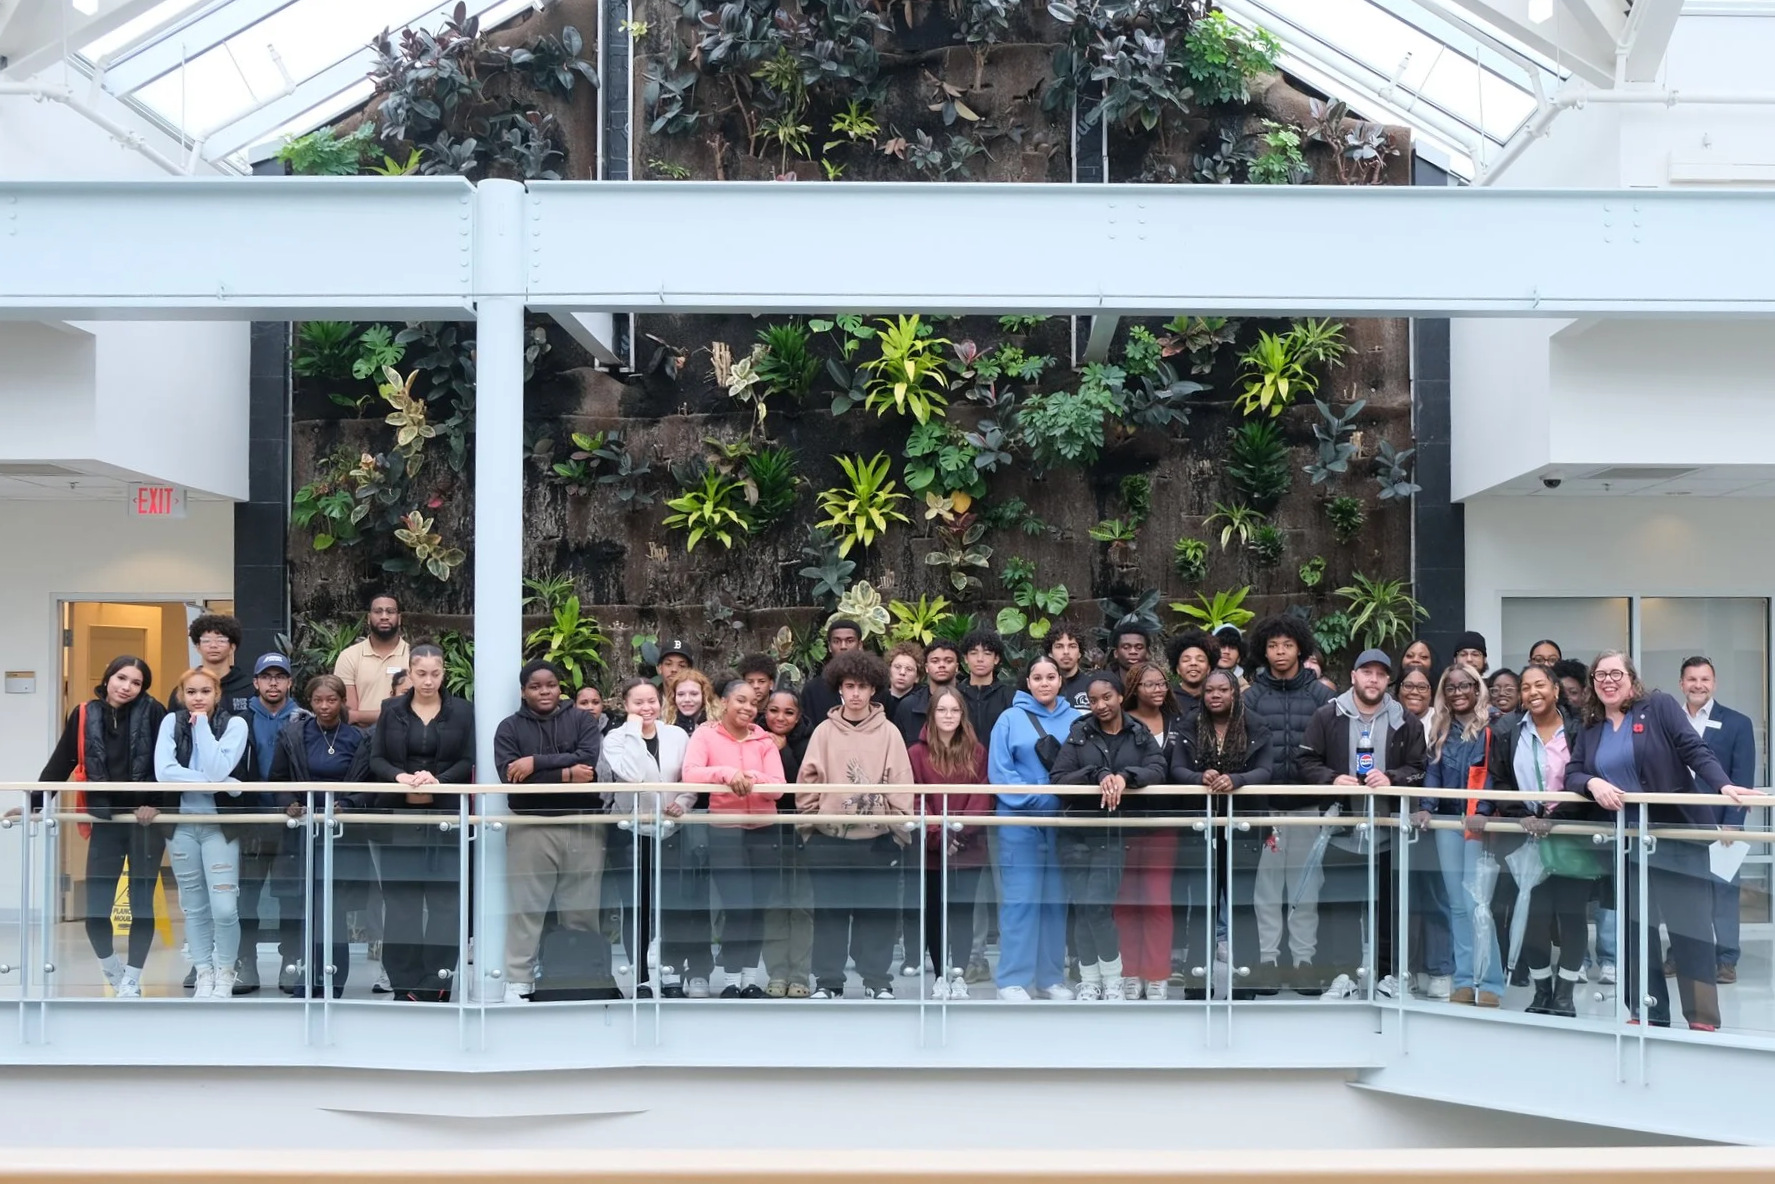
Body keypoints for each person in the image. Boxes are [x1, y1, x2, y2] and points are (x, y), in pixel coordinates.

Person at [1565, 650, 1758, 1029]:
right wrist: (1593, 782)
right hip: (1627, 843)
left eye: (1616, 673)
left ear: (1631, 678)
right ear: (1592, 683)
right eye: (1600, 675)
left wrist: (1724, 785)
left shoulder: (1658, 706)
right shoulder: (1591, 725)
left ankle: (1702, 1019)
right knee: (1637, 931)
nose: (1608, 681)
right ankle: (1646, 1012)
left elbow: (1693, 749)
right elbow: (1572, 772)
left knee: (1691, 931)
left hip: (1675, 837)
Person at [37, 656, 170, 998]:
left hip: (145, 823)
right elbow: (62, 762)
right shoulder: (85, 713)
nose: (127, 687)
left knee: (142, 905)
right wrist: (34, 802)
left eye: (136, 682)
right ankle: (113, 970)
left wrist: (156, 803)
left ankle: (133, 979)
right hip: (105, 822)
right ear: (108, 677)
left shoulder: (155, 711)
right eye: (121, 678)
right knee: (96, 909)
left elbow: (168, 764)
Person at [1299, 648, 1426, 1001]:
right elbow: (1305, 761)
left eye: (1381, 674)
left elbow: (1419, 768)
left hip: (1389, 829)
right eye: (1366, 672)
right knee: (1339, 905)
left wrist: (1393, 777)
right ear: (1353, 676)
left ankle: (1387, 977)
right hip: (1339, 829)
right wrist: (1331, 778)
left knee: (1389, 907)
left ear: (1389, 680)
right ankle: (1343, 975)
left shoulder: (1406, 721)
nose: (1373, 679)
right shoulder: (1327, 715)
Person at [796, 651, 916, 1000]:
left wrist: (896, 832)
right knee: (829, 913)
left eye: (863, 686)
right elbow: (807, 782)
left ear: (873, 689)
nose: (856, 693)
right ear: (840, 688)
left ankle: (877, 980)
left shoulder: (889, 732)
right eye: (850, 686)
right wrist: (811, 828)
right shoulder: (823, 731)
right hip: (829, 839)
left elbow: (901, 783)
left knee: (877, 914)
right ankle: (828, 981)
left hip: (878, 840)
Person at [365, 644, 474, 1002]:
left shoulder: (462, 711)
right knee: (401, 905)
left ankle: (436, 982)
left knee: (446, 905)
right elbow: (376, 759)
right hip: (400, 819)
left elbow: (467, 760)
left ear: (444, 673)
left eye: (435, 673)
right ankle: (403, 983)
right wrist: (399, 777)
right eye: (421, 673)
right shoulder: (391, 709)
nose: (428, 681)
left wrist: (439, 780)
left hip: (444, 819)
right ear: (410, 673)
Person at [1049, 673, 1167, 1002]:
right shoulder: (1080, 733)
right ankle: (1090, 980)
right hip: (1075, 833)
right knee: (1083, 908)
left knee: (1098, 907)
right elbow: (1058, 779)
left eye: (1106, 697)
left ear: (1120, 697)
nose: (1100, 705)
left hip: (1112, 834)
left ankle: (1112, 977)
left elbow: (1159, 769)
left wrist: (1126, 777)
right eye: (1093, 700)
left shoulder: (1138, 732)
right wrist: (1095, 774)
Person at [493, 660, 606, 1004]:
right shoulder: (509, 728)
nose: (544, 691)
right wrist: (567, 774)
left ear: (560, 688)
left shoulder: (582, 720)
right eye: (535, 686)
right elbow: (511, 779)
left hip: (582, 824)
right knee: (526, 908)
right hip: (530, 825)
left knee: (582, 909)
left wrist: (535, 763)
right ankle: (519, 979)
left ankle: (581, 976)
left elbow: (588, 761)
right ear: (523, 692)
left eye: (551, 684)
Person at [1487, 663, 1590, 1017]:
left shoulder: (1579, 729)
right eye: (1526, 687)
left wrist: (1557, 818)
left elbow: (1588, 777)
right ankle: (1542, 990)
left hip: (1571, 834)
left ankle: (1565, 994)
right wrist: (1522, 815)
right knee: (1532, 917)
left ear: (1556, 690)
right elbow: (1500, 781)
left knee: (1572, 916)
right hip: (1527, 835)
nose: (1533, 692)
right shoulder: (1509, 731)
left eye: (1540, 685)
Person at [1243, 614, 1336, 993]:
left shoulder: (1321, 697)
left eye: (1287, 645)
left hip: (1308, 806)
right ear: (1263, 651)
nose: (1280, 652)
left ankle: (1303, 962)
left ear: (1300, 648)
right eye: (1272, 646)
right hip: (1264, 809)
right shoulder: (1250, 697)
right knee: (1265, 891)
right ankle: (1268, 961)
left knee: (1305, 889)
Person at [1170, 668, 1275, 998]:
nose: (1215, 695)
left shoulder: (1256, 724)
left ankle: (1246, 981)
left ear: (1235, 693)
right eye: (1209, 690)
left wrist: (1238, 780)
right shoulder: (1188, 724)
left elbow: (1266, 770)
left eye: (1222, 690)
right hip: (1199, 828)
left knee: (1241, 903)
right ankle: (1198, 981)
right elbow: (1176, 768)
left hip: (1244, 828)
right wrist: (1198, 777)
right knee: (1204, 904)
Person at [683, 679, 786, 998]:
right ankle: (730, 980)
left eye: (754, 703)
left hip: (764, 831)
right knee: (738, 907)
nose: (748, 707)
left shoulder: (764, 740)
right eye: (741, 700)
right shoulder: (705, 734)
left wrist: (752, 778)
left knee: (758, 908)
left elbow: (779, 787)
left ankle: (750, 980)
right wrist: (726, 774)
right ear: (724, 702)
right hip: (725, 830)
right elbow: (691, 773)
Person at [987, 656, 1081, 1002]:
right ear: (1027, 682)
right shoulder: (1009, 719)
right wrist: (1038, 800)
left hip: (1062, 823)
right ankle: (1011, 980)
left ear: (1060, 680)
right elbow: (1000, 772)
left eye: (1050, 677)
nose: (1044, 683)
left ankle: (1050, 979)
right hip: (1019, 822)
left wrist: (1060, 802)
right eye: (1037, 677)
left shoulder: (1076, 719)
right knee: (1020, 900)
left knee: (1055, 902)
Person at [266, 674, 366, 998]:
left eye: (331, 700)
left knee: (333, 911)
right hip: (302, 835)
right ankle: (306, 979)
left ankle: (333, 981)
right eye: (318, 700)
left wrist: (347, 804)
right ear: (309, 702)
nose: (324, 706)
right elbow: (278, 778)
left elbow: (367, 784)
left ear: (342, 702)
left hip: (341, 836)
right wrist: (288, 803)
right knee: (306, 908)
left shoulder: (357, 738)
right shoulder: (293, 734)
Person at [155, 667, 251, 999]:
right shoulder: (171, 722)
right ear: (181, 695)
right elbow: (164, 773)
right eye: (191, 692)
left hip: (219, 828)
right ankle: (203, 972)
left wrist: (203, 729)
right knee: (194, 907)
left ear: (217, 694)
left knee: (224, 908)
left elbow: (216, 767)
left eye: (205, 691)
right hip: (181, 827)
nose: (198, 698)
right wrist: (224, 783)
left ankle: (225, 972)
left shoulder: (234, 724)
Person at [1412, 664, 1502, 1007]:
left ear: (1477, 688)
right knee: (1456, 905)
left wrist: (1483, 811)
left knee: (1477, 904)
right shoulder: (1441, 726)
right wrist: (1426, 807)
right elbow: (1433, 773)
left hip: (1478, 823)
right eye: (1451, 687)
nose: (1458, 692)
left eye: (1465, 685)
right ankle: (1464, 980)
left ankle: (1490, 981)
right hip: (1448, 822)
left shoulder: (1494, 725)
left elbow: (1493, 774)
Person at [598, 678, 695, 998]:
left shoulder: (677, 735)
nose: (646, 708)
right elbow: (633, 773)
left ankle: (670, 976)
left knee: (672, 906)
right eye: (637, 703)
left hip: (671, 830)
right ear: (625, 705)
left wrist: (682, 804)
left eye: (651, 701)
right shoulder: (616, 738)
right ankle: (640, 979)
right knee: (636, 908)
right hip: (629, 833)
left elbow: (689, 778)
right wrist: (633, 730)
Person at [906, 684, 992, 1001]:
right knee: (934, 913)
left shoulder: (977, 751)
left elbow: (983, 796)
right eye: (942, 709)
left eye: (954, 710)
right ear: (931, 714)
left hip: (968, 847)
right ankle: (941, 976)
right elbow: (915, 797)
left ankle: (960, 976)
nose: (948, 715)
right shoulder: (916, 753)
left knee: (962, 914)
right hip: (931, 849)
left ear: (962, 714)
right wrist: (938, 835)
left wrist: (957, 832)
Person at [1679, 656, 1758, 985]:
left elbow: (1743, 776)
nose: (1698, 685)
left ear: (1714, 683)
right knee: (1683, 893)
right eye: (1692, 679)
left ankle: (1726, 959)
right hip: (1679, 824)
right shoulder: (1670, 721)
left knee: (1723, 894)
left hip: (1720, 824)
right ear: (1681, 683)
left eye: (1704, 679)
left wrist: (1732, 823)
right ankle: (1681, 954)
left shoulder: (1737, 723)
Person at [1118, 662, 1189, 1001]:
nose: (1158, 689)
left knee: (1158, 900)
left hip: (1165, 822)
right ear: (1135, 688)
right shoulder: (1120, 722)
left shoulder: (1178, 722)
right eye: (1149, 684)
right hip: (1123, 824)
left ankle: (1157, 974)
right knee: (1125, 902)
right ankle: (1130, 972)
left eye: (1162, 683)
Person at [238, 653, 307, 995]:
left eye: (280, 676)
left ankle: (291, 963)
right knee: (245, 898)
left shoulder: (303, 719)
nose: (274, 682)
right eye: (267, 677)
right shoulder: (239, 719)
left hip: (291, 820)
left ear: (290, 682)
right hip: (251, 819)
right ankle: (245, 964)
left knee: (291, 899)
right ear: (256, 682)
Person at [760, 688, 814, 996]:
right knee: (773, 907)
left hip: (802, 834)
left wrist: (782, 751)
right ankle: (777, 974)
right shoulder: (754, 737)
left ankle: (800, 976)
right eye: (773, 710)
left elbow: (798, 789)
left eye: (788, 712)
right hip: (765, 833)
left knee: (802, 907)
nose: (780, 717)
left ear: (799, 716)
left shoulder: (810, 742)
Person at [335, 595, 411, 727]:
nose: (384, 616)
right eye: (378, 611)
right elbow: (350, 714)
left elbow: (415, 711)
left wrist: (360, 715)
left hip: (404, 733)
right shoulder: (349, 656)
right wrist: (394, 715)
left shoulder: (414, 657)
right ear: (369, 618)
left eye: (390, 611)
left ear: (399, 619)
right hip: (360, 734)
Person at [170, 613, 253, 715]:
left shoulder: (249, 687)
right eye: (206, 641)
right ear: (198, 647)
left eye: (221, 640)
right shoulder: (185, 688)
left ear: (232, 647)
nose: (213, 645)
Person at [894, 639, 961, 748]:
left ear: (957, 667)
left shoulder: (968, 703)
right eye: (935, 661)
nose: (941, 665)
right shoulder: (908, 706)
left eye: (948, 661)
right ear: (926, 668)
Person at [801, 621, 870, 723]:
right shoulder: (813, 690)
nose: (843, 646)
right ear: (829, 647)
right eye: (836, 641)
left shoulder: (874, 686)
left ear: (860, 645)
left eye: (850, 641)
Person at [959, 629, 1015, 742]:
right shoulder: (954, 695)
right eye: (973, 653)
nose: (980, 659)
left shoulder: (1009, 696)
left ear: (996, 659)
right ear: (966, 658)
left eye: (987, 653)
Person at [1166, 629, 1219, 716]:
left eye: (1200, 660)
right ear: (1178, 668)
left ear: (1209, 668)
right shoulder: (1167, 698)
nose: (1193, 663)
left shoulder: (1216, 698)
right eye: (1186, 660)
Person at [1047, 626, 1094, 711]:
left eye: (1072, 646)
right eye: (1059, 646)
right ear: (1050, 653)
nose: (1066, 652)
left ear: (1080, 653)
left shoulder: (1092, 686)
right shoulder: (1043, 688)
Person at [885, 642, 924, 720]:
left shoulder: (922, 701)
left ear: (917, 677)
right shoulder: (877, 697)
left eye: (909, 669)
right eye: (897, 667)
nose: (902, 672)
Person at [1397, 668, 1434, 733]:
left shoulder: (1442, 721)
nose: (1414, 692)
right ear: (1398, 692)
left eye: (1422, 687)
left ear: (1431, 694)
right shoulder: (1387, 717)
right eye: (1408, 686)